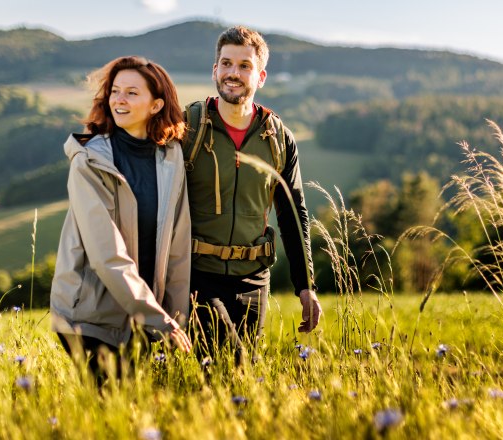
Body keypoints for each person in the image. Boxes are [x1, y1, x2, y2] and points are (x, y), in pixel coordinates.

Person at [183, 26, 321, 362]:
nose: (233, 73)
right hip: (196, 275)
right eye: (226, 63)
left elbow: (292, 212)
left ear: (260, 76)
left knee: (234, 382)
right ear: (215, 70)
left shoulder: (278, 137)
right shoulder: (189, 125)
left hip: (254, 279)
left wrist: (305, 286)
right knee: (233, 363)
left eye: (244, 66)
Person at [50, 56, 193, 382]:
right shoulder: (89, 161)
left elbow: (178, 248)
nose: (119, 99)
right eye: (115, 91)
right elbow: (106, 253)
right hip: (91, 316)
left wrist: (174, 319)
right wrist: (158, 319)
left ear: (156, 105)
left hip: (146, 315)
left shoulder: (170, 157)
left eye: (131, 92)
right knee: (111, 413)